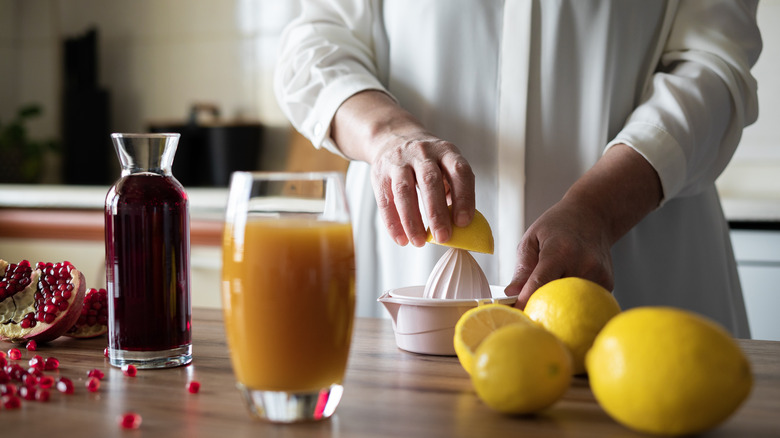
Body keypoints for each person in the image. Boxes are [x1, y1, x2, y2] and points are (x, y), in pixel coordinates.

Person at [274, 0, 761, 336]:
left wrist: (599, 208)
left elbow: (714, 65)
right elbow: (317, 43)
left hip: (641, 269)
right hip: (406, 267)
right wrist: (388, 134)